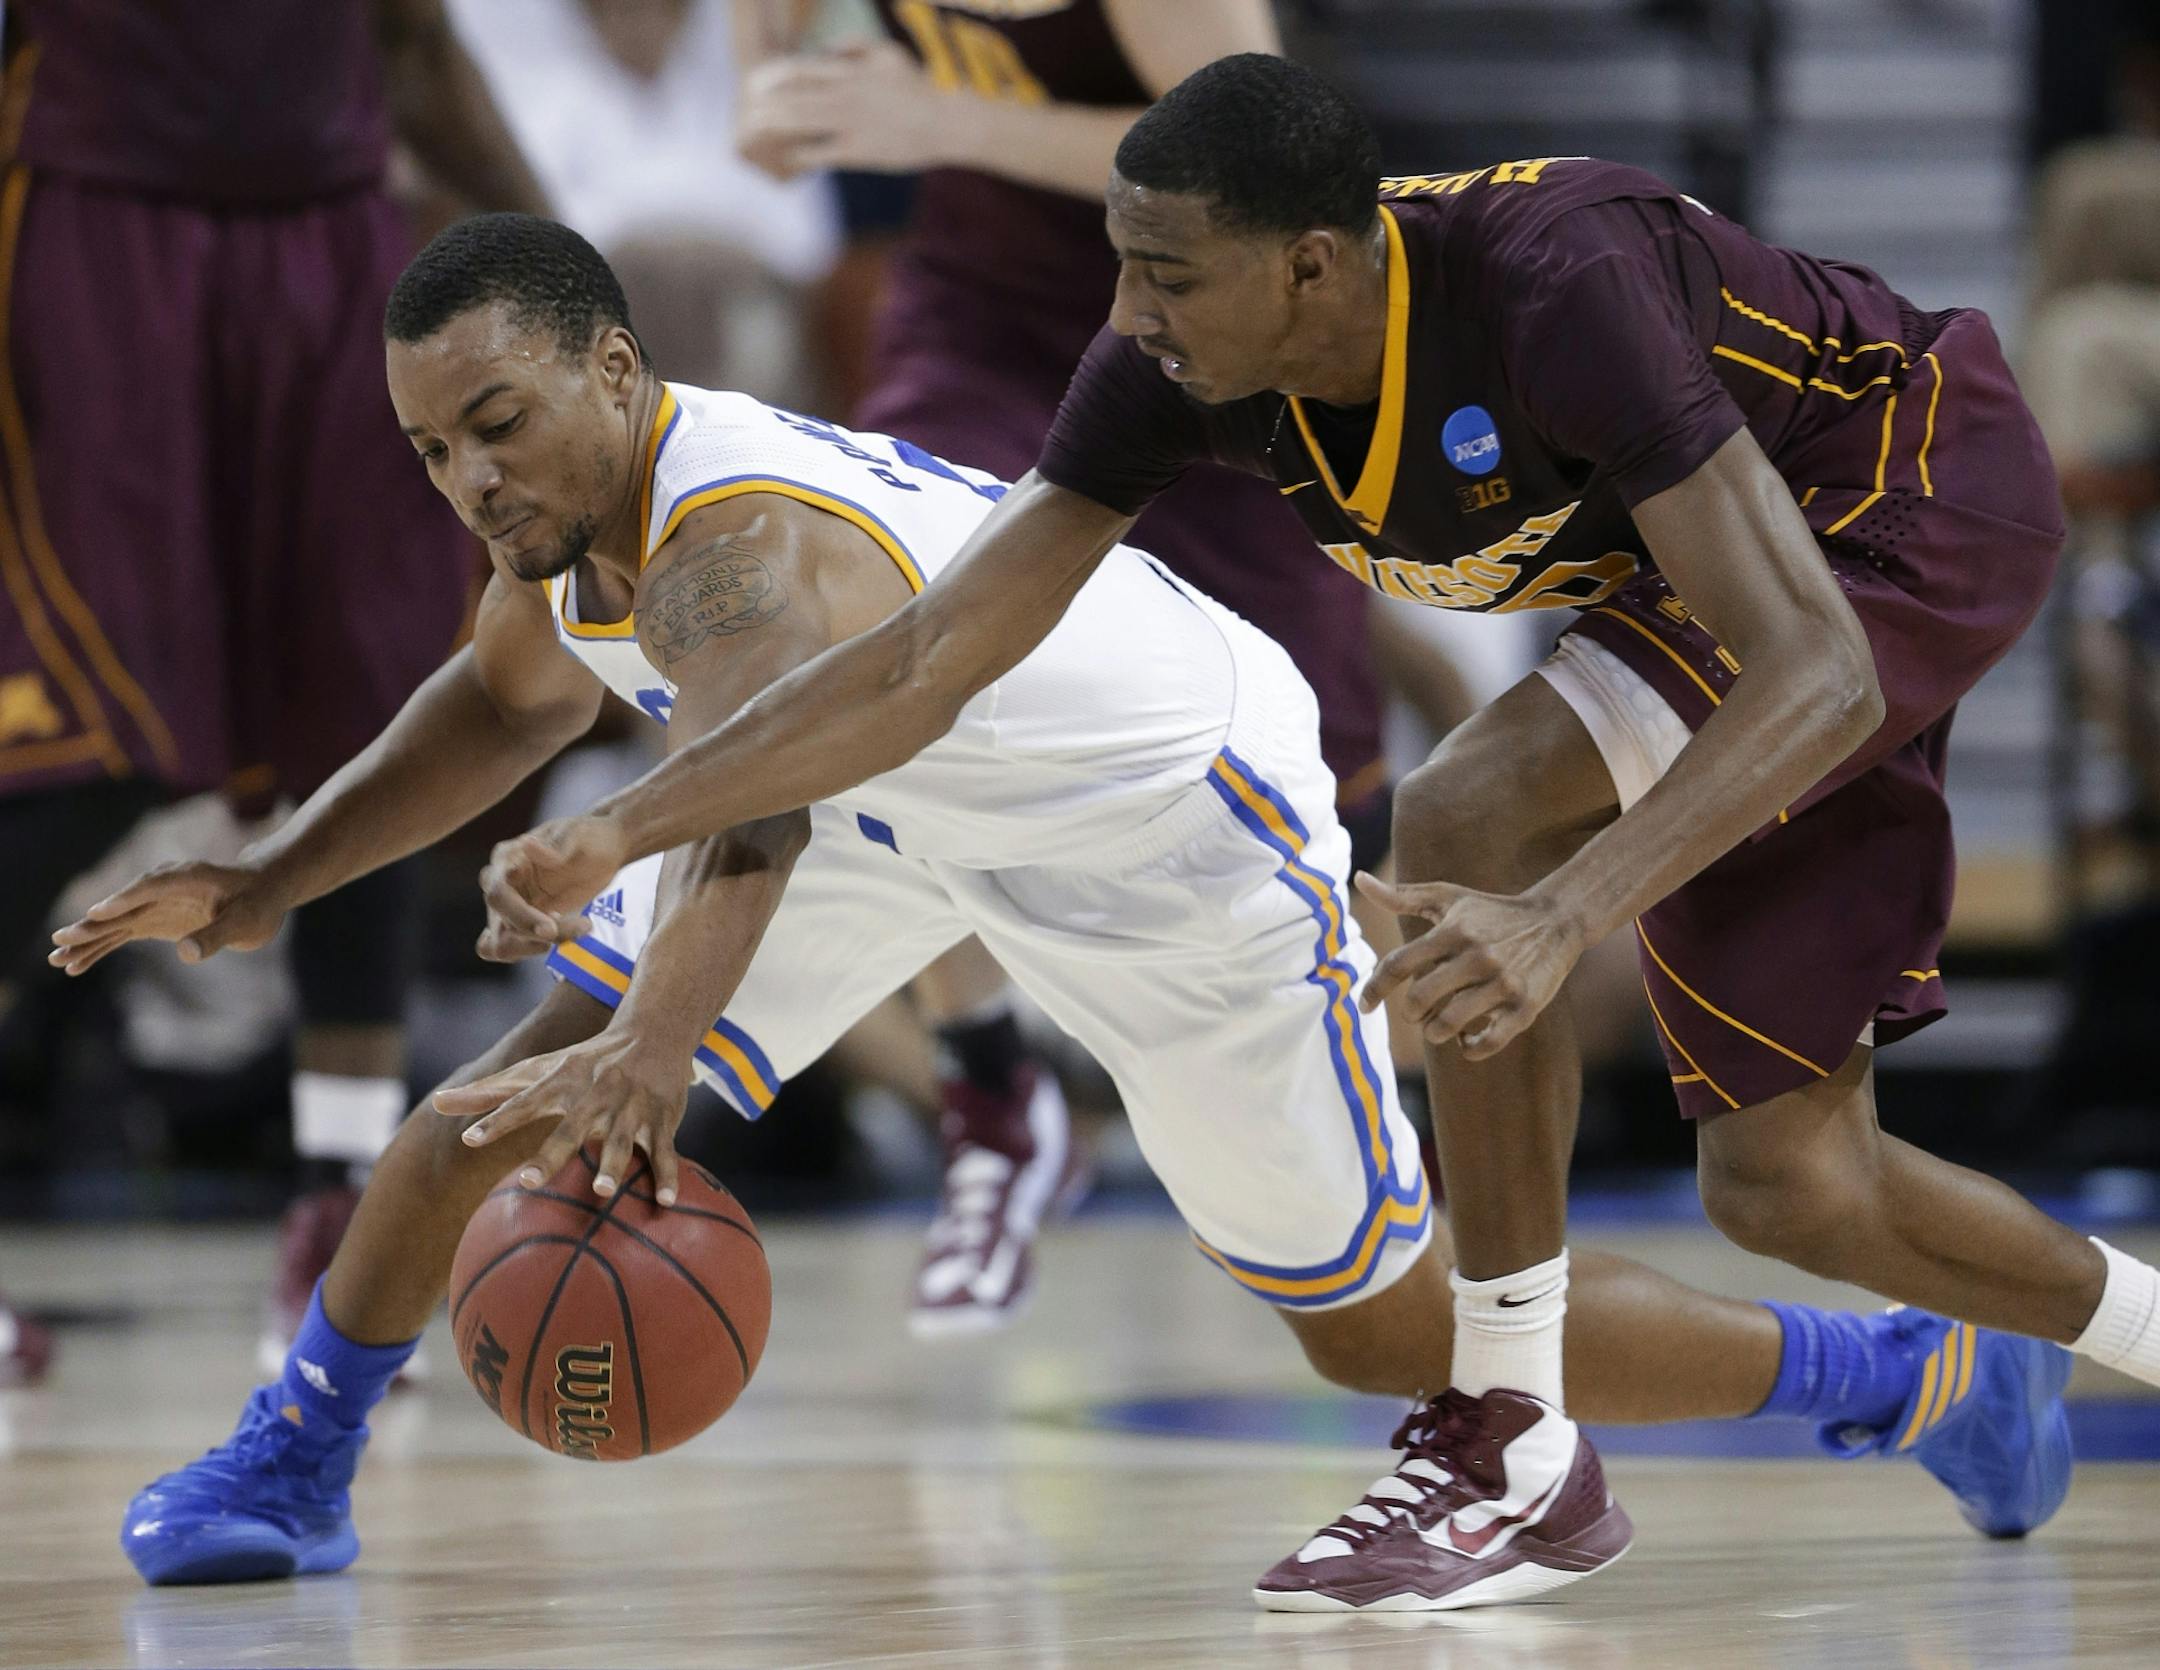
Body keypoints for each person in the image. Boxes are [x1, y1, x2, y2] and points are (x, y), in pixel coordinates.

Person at [58, 216, 2066, 1598]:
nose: (472, 477)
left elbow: (753, 804)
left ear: (611, 364)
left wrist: (660, 1049)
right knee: (487, 1104)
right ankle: (300, 1462)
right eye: (432, 449)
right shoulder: (575, 519)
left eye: (498, 425)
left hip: (1167, 813)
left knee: (1383, 1338)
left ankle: (1901, 1371)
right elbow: (498, 703)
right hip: (890, 803)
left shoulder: (731, 552)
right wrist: (266, 875)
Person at [469, 58, 2160, 1612]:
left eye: (1168, 273)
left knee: (1478, 808)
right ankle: (2012, 1358)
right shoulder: (1170, 366)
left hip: (1901, 493)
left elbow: (1814, 665)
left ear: (1314, 270)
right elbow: (922, 660)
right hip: (1722, 585)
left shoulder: (1559, 286)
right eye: (1120, 264)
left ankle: (1517, 1436)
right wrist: (628, 819)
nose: (1125, 308)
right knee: (1794, 1187)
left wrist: (1565, 914)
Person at [733, 0, 1391, 1332]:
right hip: (980, 313)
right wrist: (769, 94)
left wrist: (942, 120)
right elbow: (772, 53)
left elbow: (1250, 172)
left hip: (1210, 328)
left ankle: (1372, 1178)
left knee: (1329, 793)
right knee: (877, 644)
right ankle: (993, 1093)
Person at [0, 0, 548, 1380]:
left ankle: (344, 1198)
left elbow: (413, 42)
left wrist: (555, 257)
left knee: (364, 719)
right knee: (83, 741)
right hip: (91, 223)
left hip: (334, 237)